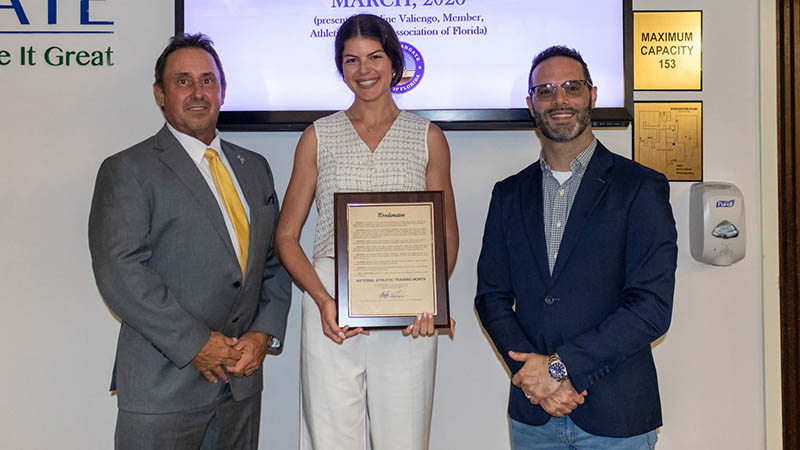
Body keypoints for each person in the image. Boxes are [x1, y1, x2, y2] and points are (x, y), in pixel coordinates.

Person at [88, 33, 291, 450]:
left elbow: (271, 262)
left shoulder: (254, 168)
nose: (198, 93)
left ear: (223, 91)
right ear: (160, 94)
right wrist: (197, 344)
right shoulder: (127, 169)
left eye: (208, 81)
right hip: (162, 388)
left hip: (240, 387)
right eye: (183, 82)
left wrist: (262, 334)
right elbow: (121, 271)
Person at [475, 45, 677, 449]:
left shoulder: (639, 188)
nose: (559, 99)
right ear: (531, 104)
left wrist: (560, 369)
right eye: (546, 91)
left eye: (572, 87)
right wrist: (538, 381)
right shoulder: (509, 194)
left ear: (593, 95)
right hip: (533, 416)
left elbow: (651, 308)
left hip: (617, 414)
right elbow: (492, 297)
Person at [274, 13, 459, 450]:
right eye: (352, 60)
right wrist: (322, 301)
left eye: (374, 56)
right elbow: (285, 236)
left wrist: (429, 298)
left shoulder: (428, 136)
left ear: (394, 61)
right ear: (341, 68)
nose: (365, 70)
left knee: (404, 439)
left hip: (407, 311)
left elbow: (447, 235)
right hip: (331, 307)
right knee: (331, 437)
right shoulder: (317, 136)